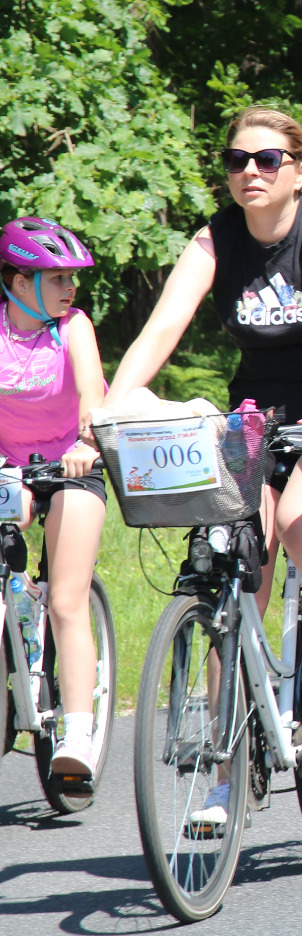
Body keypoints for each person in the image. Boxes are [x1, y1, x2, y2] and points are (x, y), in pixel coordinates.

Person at [108, 108, 302, 700]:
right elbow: (162, 328)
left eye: (267, 160)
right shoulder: (216, 238)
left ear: (300, 171)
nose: (250, 172)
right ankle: (222, 753)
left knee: (301, 528)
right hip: (257, 417)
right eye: (237, 160)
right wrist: (109, 409)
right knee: (236, 570)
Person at [0, 218, 108, 782]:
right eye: (57, 277)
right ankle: (18, 615)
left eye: (71, 277)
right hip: (10, 469)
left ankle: (79, 734)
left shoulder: (74, 327)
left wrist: (88, 442)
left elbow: (92, 393)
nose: (71, 288)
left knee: (67, 600)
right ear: (20, 283)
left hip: (72, 464)